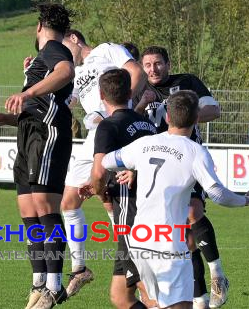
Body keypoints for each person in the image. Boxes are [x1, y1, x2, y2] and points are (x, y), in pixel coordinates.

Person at [103, 90, 249, 309]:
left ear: (167, 117)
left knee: (154, 304)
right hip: (168, 244)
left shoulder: (144, 144)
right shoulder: (195, 151)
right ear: (197, 119)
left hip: (139, 240)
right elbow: (217, 193)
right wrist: (248, 199)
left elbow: (107, 161)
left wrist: (133, 166)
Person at [0, 3, 75, 309]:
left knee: (44, 208)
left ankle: (54, 286)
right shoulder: (39, 60)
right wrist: (7, 118)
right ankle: (38, 283)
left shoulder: (53, 50)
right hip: (28, 136)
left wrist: (27, 92)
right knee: (28, 211)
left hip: (46, 136)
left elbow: (67, 71)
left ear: (39, 27)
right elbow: (33, 108)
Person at [134, 46, 225, 309]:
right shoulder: (139, 90)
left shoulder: (186, 83)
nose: (153, 69)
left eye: (158, 63)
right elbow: (127, 120)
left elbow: (214, 110)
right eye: (148, 65)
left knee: (193, 213)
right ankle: (199, 298)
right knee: (184, 239)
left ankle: (217, 273)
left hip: (186, 160)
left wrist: (185, 114)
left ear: (168, 64)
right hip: (156, 169)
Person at [60, 29, 146, 297]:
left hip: (113, 127)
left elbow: (137, 72)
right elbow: (65, 102)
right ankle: (80, 269)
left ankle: (134, 258)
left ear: (74, 38)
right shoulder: (73, 73)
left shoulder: (106, 50)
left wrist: (124, 110)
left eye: (63, 44)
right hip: (94, 136)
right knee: (70, 202)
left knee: (117, 197)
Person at [77, 69, 157, 309]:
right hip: (152, 210)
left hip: (132, 217)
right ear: (130, 92)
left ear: (102, 94)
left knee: (148, 290)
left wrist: (97, 187)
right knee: (121, 296)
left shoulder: (108, 126)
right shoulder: (147, 124)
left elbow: (99, 171)